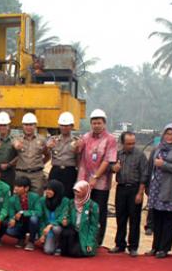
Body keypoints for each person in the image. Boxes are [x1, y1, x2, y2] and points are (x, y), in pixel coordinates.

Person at [145, 123, 172, 259]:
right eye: (167, 133)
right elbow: (150, 166)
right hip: (156, 187)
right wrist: (148, 185)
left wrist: (164, 165)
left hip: (170, 187)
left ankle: (164, 248)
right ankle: (155, 246)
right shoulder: (158, 147)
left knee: (168, 220)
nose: (169, 136)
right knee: (156, 218)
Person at [77, 109, 117, 246]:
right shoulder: (85, 137)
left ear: (104, 123)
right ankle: (83, 237)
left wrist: (95, 177)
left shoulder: (110, 140)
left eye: (99, 123)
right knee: (82, 209)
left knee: (98, 211)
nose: (96, 125)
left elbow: (107, 160)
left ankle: (97, 240)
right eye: (94, 123)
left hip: (101, 182)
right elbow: (78, 154)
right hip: (84, 180)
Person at [110, 131, 148, 257]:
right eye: (128, 143)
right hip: (121, 189)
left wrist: (140, 193)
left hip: (134, 189)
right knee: (120, 218)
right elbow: (110, 166)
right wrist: (113, 168)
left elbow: (144, 174)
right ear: (122, 143)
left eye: (133, 143)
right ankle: (119, 244)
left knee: (134, 219)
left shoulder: (140, 155)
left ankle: (133, 246)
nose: (131, 146)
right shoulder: (118, 154)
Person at [59, 180, 100, 258]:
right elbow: (65, 215)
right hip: (73, 232)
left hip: (85, 234)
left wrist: (89, 243)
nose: (76, 193)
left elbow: (93, 227)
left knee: (76, 253)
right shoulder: (71, 203)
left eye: (78, 191)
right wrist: (65, 220)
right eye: (75, 191)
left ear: (85, 191)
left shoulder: (93, 206)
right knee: (66, 252)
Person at [13, 112, 50, 195]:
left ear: (35, 125)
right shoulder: (17, 139)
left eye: (31, 125)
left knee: (37, 198)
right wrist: (16, 145)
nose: (28, 127)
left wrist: (38, 165)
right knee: (19, 198)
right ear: (22, 125)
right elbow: (13, 147)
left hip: (36, 175)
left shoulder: (42, 140)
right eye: (26, 124)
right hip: (21, 173)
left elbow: (47, 155)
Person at [47, 112, 81, 198]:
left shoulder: (76, 141)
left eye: (66, 125)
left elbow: (79, 160)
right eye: (62, 125)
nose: (64, 128)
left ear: (72, 126)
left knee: (68, 196)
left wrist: (77, 150)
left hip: (69, 172)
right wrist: (48, 147)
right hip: (55, 171)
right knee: (52, 196)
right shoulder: (53, 139)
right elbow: (45, 153)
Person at [4, 177, 41, 250]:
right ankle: (21, 238)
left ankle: (31, 241)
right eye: (15, 186)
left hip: (32, 222)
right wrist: (12, 219)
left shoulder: (35, 197)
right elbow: (11, 213)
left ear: (26, 188)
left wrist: (23, 212)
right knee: (9, 230)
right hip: (20, 223)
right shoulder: (12, 199)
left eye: (19, 186)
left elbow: (39, 212)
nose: (16, 188)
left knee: (34, 219)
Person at [36, 180, 69, 255]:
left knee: (56, 228)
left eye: (50, 190)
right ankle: (52, 243)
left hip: (59, 228)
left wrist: (50, 225)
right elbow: (42, 220)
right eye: (47, 189)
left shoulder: (65, 201)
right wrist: (42, 234)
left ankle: (59, 245)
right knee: (48, 251)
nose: (47, 191)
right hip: (47, 230)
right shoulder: (42, 200)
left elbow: (63, 217)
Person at [0, 111, 18, 187]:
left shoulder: (14, 141)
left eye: (4, 125)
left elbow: (19, 156)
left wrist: (8, 164)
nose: (2, 127)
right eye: (0, 125)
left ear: (8, 126)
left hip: (9, 173)